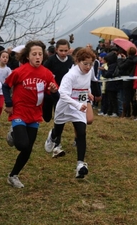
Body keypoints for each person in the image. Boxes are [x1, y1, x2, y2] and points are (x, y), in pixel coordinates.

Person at [2, 40, 58, 188]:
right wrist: (8, 103)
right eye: (34, 54)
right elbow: (5, 86)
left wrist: (53, 91)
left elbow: (54, 96)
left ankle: (13, 176)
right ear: (27, 56)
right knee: (21, 145)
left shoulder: (47, 74)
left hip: (35, 114)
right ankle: (14, 134)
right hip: (20, 111)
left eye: (40, 54)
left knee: (28, 149)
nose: (38, 57)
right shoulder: (20, 71)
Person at [45, 48, 97, 178]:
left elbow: (86, 84)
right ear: (78, 61)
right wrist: (77, 105)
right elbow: (63, 95)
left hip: (79, 105)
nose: (88, 67)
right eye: (85, 64)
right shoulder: (70, 75)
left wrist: (88, 93)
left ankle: (80, 164)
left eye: (91, 64)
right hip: (65, 106)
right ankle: (52, 135)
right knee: (58, 130)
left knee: (81, 132)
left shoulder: (89, 71)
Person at [42, 39, 74, 122]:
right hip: (50, 91)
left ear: (69, 50)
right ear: (56, 50)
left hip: (63, 92)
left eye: (66, 50)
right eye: (61, 50)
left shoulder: (71, 60)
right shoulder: (50, 60)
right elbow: (43, 73)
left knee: (60, 115)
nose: (63, 53)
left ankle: (56, 131)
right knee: (47, 117)